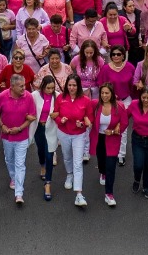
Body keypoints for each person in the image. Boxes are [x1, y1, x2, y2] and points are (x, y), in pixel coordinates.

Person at [0, 73, 38, 206]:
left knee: (20, 164)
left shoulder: (28, 97)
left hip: (21, 137)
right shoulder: (2, 96)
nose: (23, 88)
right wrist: (2, 125)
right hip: (7, 136)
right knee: (9, 159)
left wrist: (19, 128)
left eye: (24, 85)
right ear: (12, 86)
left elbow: (32, 116)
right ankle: (13, 177)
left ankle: (19, 193)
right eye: (20, 86)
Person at [55, 73, 95, 207]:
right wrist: (61, 120)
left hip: (79, 134)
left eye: (74, 85)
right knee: (67, 157)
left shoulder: (86, 100)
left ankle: (79, 194)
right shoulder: (60, 98)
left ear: (78, 87)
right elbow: (55, 115)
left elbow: (90, 119)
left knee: (78, 162)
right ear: (66, 85)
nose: (71, 88)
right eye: (69, 85)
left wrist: (82, 124)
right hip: (64, 133)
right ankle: (69, 174)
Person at [90, 82, 129, 207]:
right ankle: (102, 171)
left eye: (107, 93)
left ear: (112, 94)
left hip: (112, 139)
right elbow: (88, 114)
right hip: (99, 138)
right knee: (101, 161)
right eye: (102, 93)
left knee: (111, 166)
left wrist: (113, 131)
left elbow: (124, 123)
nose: (104, 95)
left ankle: (109, 194)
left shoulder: (120, 106)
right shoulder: (95, 104)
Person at [32, 75, 61, 200]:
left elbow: (62, 109)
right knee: (41, 150)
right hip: (38, 127)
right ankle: (42, 165)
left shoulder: (58, 95)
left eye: (52, 88)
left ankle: (48, 183)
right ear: (42, 86)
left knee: (50, 154)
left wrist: (57, 114)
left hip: (52, 128)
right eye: (48, 88)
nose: (50, 90)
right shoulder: (34, 95)